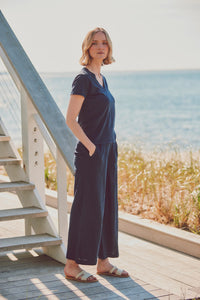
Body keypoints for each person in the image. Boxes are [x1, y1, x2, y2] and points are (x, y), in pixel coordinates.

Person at [64, 27, 129, 283]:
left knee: (106, 205)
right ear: (87, 48)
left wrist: (108, 145)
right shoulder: (83, 79)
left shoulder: (102, 78)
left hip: (108, 149)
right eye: (95, 43)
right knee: (86, 208)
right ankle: (72, 264)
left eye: (104, 43)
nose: (100, 47)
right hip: (92, 152)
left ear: (109, 48)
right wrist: (90, 146)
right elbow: (70, 119)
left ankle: (103, 261)